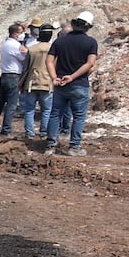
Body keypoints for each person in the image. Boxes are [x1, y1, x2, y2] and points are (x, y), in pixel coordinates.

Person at [45, 10, 100, 156]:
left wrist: (54, 77)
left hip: (60, 85)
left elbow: (49, 61)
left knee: (55, 114)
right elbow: (90, 63)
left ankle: (50, 145)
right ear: (88, 27)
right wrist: (73, 76)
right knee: (79, 116)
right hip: (79, 84)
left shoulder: (60, 41)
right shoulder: (91, 42)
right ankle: (74, 147)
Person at [0, 23, 27, 135]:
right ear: (15, 34)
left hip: (5, 75)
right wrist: (27, 52)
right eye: (20, 32)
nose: (22, 35)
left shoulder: (6, 44)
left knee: (0, 103)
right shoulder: (15, 46)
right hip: (13, 76)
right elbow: (24, 60)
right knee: (11, 104)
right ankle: (6, 130)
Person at [19, 23, 55, 140]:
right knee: (46, 110)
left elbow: (26, 67)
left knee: (29, 110)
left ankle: (29, 133)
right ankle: (44, 132)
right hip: (47, 83)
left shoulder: (32, 49)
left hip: (31, 82)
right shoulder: (53, 49)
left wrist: (21, 82)